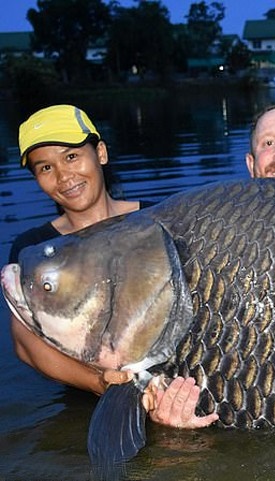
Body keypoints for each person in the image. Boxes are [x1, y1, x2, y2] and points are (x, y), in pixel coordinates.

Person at [8, 104, 217, 429]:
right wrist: (101, 383)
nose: (64, 176)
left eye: (72, 157)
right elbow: (25, 344)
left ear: (101, 152)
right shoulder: (35, 252)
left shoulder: (159, 220)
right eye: (45, 168)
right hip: (87, 403)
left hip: (180, 390)